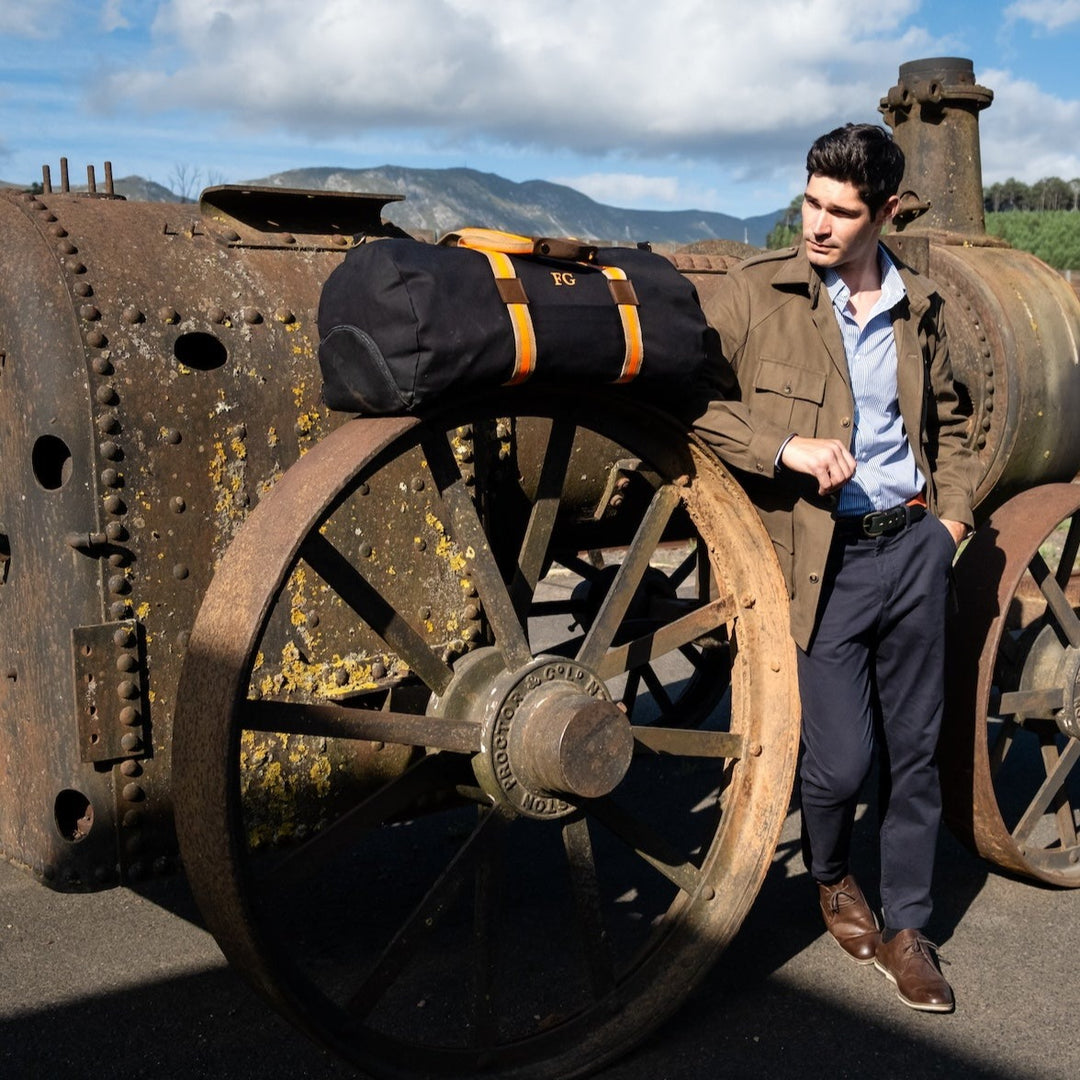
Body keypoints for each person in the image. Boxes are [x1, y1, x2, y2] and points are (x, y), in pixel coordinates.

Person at [692, 123, 976, 1012]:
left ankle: (907, 929)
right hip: (821, 562)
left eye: (840, 212)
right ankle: (830, 874)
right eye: (811, 201)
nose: (817, 224)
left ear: (884, 212)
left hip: (915, 547)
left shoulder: (922, 308)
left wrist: (954, 520)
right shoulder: (753, 296)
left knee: (917, 751)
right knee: (842, 763)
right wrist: (781, 445)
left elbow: (963, 418)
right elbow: (692, 403)